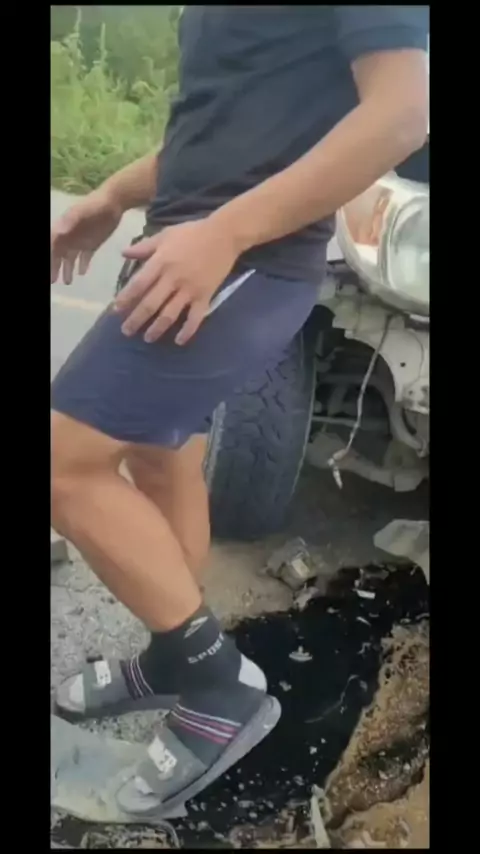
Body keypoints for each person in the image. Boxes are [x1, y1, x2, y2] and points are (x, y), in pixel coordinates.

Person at [51, 6, 429, 816]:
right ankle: (173, 654)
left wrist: (223, 235)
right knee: (162, 458)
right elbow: (218, 131)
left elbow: (402, 111)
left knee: (63, 463)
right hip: (178, 250)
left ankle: (218, 684)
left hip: (243, 259)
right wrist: (111, 195)